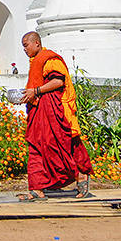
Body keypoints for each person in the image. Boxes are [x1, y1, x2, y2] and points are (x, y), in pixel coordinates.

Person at [19, 31, 92, 200]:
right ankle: (36, 188)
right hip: (39, 111)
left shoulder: (49, 59)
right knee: (36, 146)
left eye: (26, 45)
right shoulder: (36, 61)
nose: (24, 49)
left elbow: (58, 81)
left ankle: (81, 175)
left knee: (63, 144)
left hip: (55, 110)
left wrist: (36, 91)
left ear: (36, 43)